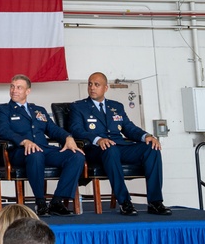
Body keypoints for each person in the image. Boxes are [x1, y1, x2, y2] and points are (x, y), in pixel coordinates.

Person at [69, 72, 169, 216]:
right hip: (96, 149)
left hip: (120, 146)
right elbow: (76, 130)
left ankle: (155, 202)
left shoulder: (116, 106)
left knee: (151, 149)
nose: (92, 88)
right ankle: (125, 202)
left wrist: (147, 136)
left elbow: (129, 128)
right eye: (90, 84)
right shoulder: (78, 107)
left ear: (106, 88)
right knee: (111, 149)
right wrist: (98, 139)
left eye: (96, 85)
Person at [0, 75, 85, 217]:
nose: (14, 90)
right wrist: (24, 141)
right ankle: (40, 202)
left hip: (43, 149)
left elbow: (52, 129)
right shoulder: (3, 110)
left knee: (76, 156)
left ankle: (57, 201)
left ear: (28, 91)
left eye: (19, 87)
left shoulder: (39, 110)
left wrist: (68, 137)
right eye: (12, 86)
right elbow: (2, 130)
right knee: (35, 154)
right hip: (19, 152)